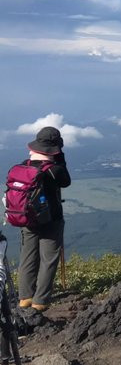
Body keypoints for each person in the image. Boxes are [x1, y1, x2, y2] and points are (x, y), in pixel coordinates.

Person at [17, 126, 71, 312]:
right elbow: (66, 182)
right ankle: (40, 301)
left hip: (27, 220)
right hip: (51, 221)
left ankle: (25, 297)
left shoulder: (25, 166)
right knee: (48, 259)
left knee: (28, 258)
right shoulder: (54, 170)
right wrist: (60, 157)